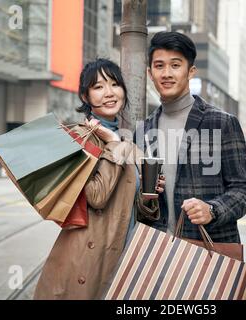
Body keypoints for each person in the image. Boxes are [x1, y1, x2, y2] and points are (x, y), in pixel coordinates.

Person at [34, 59, 165, 300]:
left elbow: (136, 213)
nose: (109, 93)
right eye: (98, 87)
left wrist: (149, 194)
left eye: (115, 84)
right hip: (88, 259)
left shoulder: (132, 147)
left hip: (125, 256)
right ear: (85, 96)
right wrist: (113, 144)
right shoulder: (76, 139)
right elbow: (97, 197)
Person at [135, 31, 246, 243]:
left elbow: (244, 190)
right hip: (155, 252)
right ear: (149, 72)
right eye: (159, 66)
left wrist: (212, 209)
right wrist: (145, 197)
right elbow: (139, 203)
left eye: (175, 65)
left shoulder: (222, 123)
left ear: (190, 71)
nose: (167, 73)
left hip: (205, 252)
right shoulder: (143, 131)